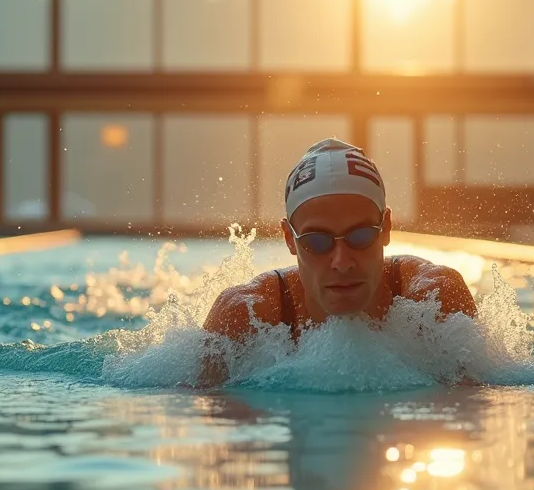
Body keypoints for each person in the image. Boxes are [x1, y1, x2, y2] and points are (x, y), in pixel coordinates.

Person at [197, 138, 478, 386]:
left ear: (387, 228)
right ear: (288, 239)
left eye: (361, 236)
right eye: (317, 241)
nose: (342, 263)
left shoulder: (434, 299)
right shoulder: (246, 315)